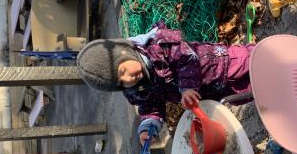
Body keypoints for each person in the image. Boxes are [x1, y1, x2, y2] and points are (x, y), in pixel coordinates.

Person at [77, 22, 254, 145]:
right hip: (212, 91)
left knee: (251, 61)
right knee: (245, 93)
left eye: (123, 71)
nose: (128, 79)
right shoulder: (137, 89)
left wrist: (187, 88)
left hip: (220, 63)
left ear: (125, 52)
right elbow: (151, 107)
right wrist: (148, 126)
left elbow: (188, 58)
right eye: (121, 83)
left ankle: (263, 51)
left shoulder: (158, 47)